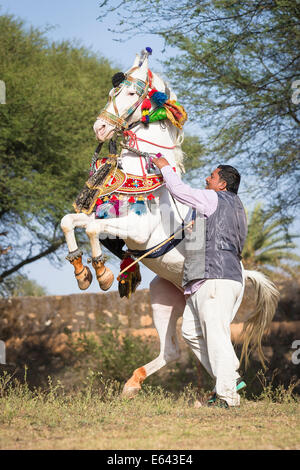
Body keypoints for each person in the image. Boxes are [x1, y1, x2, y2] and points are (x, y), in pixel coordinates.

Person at [152, 156, 248, 408]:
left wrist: (165, 168)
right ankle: (228, 379)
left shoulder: (213, 198)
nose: (207, 179)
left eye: (213, 176)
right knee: (191, 332)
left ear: (222, 185)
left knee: (216, 336)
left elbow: (179, 190)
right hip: (218, 278)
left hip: (215, 278)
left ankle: (227, 396)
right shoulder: (237, 206)